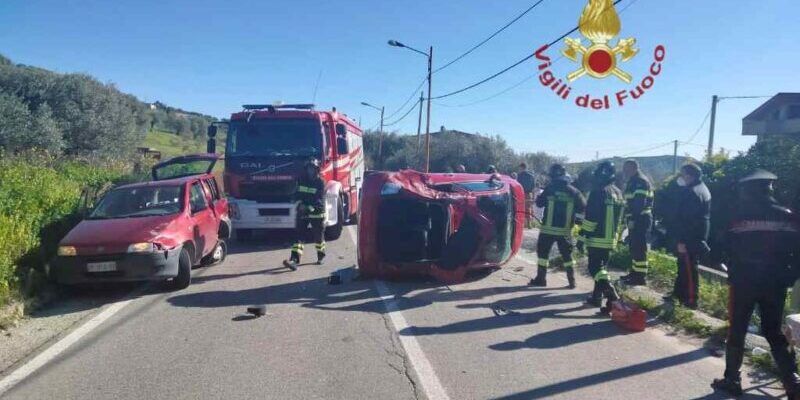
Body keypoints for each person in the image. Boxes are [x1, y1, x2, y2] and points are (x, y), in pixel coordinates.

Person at [711, 170, 800, 398]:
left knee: (737, 329)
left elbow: (721, 248)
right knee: (773, 331)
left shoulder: (737, 217)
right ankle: (793, 382)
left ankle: (732, 379)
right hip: (775, 283)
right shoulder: (788, 216)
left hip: (743, 282)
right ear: (770, 189)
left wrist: (730, 269)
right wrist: (788, 276)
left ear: (748, 191)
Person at [579, 161, 625, 313]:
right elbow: (621, 218)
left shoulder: (598, 192)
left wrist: (581, 237)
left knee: (594, 269)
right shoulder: (618, 192)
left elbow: (591, 217)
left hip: (597, 238)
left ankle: (613, 297)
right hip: (611, 238)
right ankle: (596, 298)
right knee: (602, 269)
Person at [529, 164, 586, 289]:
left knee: (543, 255)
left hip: (547, 230)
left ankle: (541, 279)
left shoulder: (550, 189)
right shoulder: (574, 191)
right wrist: (577, 221)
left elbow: (539, 204)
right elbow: (583, 208)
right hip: (565, 231)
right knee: (567, 256)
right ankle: (572, 282)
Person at [667, 163, 711, 309]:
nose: (680, 177)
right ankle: (678, 294)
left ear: (689, 175)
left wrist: (682, 240)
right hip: (696, 236)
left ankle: (691, 300)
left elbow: (688, 220)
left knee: (689, 268)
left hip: (690, 238)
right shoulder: (702, 188)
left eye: (682, 174)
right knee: (683, 266)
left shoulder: (693, 192)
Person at [283, 158, 326, 270]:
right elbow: (297, 194)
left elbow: (319, 201)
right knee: (299, 237)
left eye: (312, 169)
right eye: (308, 168)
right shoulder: (302, 180)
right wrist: (298, 202)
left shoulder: (320, 182)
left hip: (316, 213)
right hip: (302, 212)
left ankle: (321, 256)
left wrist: (307, 207)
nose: (310, 171)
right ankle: (294, 260)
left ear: (317, 170)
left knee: (318, 238)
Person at [620, 160, 654, 286]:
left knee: (640, 247)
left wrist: (633, 219)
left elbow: (639, 204)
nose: (624, 171)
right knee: (634, 247)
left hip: (641, 219)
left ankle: (640, 277)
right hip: (635, 219)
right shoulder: (634, 181)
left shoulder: (640, 181)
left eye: (626, 168)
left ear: (633, 168)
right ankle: (635, 273)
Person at [516, 162, 537, 228]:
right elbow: (533, 187)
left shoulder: (519, 176)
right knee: (528, 208)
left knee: (521, 209)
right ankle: (529, 224)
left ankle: (521, 224)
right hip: (529, 194)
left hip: (521, 193)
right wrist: (533, 197)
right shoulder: (531, 176)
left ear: (521, 167)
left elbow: (517, 186)